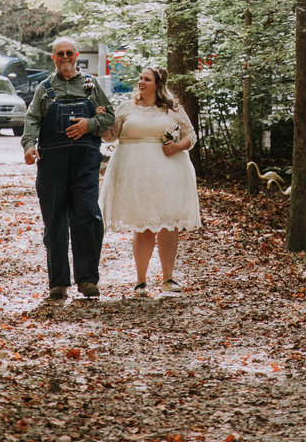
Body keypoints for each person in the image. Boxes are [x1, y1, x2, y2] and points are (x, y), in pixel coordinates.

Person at [22, 38, 115, 302]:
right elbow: (32, 119)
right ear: (53, 58)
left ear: (76, 56)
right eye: (60, 54)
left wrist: (90, 123)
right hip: (52, 163)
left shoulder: (91, 85)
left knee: (88, 216)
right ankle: (58, 283)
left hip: (85, 162)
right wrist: (29, 146)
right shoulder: (45, 88)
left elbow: (110, 117)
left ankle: (87, 280)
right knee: (55, 222)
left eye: (69, 53)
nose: (65, 57)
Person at [100, 65, 200, 296]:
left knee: (167, 224)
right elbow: (110, 136)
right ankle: (141, 281)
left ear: (158, 84)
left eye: (147, 79)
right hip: (134, 175)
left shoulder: (172, 108)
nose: (142, 82)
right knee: (142, 224)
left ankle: (168, 278)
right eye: (141, 78)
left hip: (168, 174)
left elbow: (190, 136)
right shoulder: (127, 107)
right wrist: (100, 119)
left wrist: (176, 146)